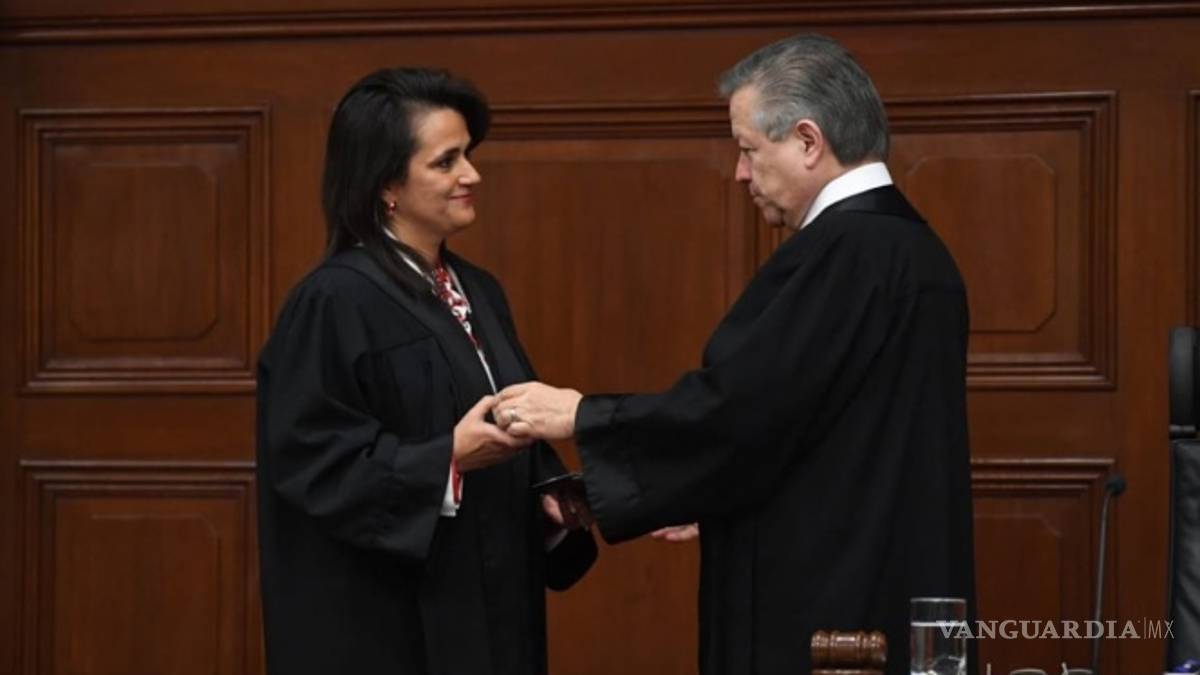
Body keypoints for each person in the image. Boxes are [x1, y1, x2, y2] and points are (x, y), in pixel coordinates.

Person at [492, 34, 977, 675]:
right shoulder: (914, 249)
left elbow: (743, 408)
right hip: (892, 573)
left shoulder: (845, 251)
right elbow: (827, 431)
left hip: (829, 606)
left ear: (807, 141)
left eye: (748, 149)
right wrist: (712, 489)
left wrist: (582, 415)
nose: (741, 172)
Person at [255, 67, 596, 675]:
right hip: (390, 623)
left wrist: (546, 501)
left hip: (493, 604)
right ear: (386, 182)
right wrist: (447, 460)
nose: (472, 175)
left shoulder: (478, 290)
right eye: (446, 162)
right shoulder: (333, 301)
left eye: (468, 155)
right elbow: (311, 465)